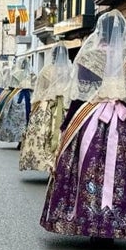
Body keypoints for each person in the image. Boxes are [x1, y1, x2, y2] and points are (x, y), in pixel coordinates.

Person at [40, 11, 126, 240]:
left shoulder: (88, 56)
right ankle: (125, 220)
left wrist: (67, 123)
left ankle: (89, 219)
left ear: (99, 31)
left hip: (90, 115)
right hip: (125, 117)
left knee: (86, 164)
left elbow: (80, 95)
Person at [19, 43, 75, 174]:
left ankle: (48, 162)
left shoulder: (46, 70)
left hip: (48, 106)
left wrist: (35, 106)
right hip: (66, 106)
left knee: (44, 134)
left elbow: (39, 91)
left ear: (53, 55)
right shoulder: (71, 70)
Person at [0, 58, 35, 144]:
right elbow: (34, 86)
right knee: (27, 117)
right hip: (29, 97)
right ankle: (25, 138)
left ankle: (18, 138)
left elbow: (11, 86)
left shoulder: (15, 73)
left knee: (15, 118)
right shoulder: (32, 74)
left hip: (17, 96)